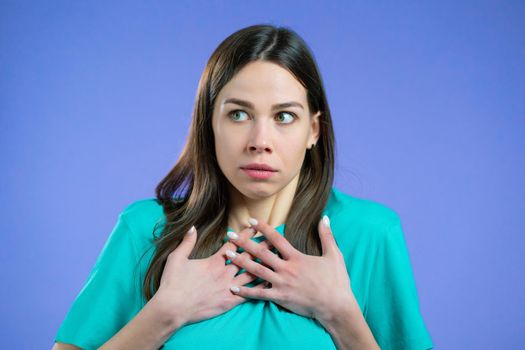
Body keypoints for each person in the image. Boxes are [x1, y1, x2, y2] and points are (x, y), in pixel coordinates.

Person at [52, 24, 434, 350]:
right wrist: (165, 314)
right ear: (209, 124)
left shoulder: (371, 234)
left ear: (313, 130)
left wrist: (341, 313)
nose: (260, 140)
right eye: (238, 114)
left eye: (284, 116)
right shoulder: (145, 230)